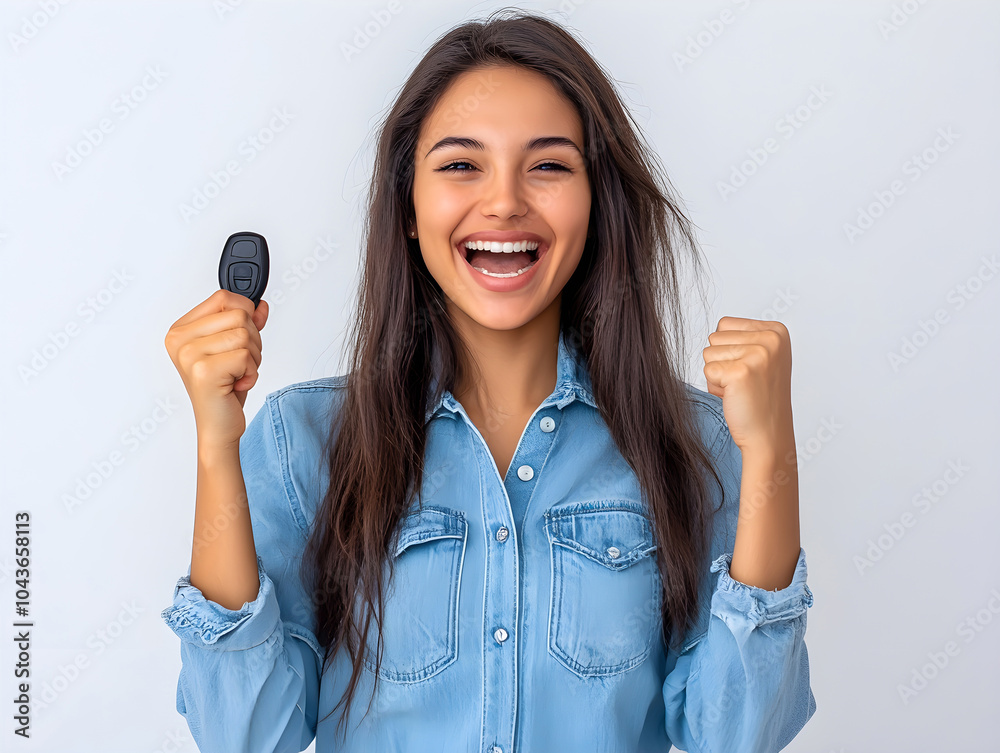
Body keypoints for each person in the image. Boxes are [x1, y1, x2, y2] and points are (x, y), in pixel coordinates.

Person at [160, 8, 816, 752]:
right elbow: (243, 736)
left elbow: (734, 737)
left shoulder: (697, 442)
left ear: (597, 203)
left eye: (548, 165)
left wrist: (771, 458)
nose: (504, 200)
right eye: (461, 164)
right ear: (408, 206)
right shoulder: (301, 440)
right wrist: (217, 445)